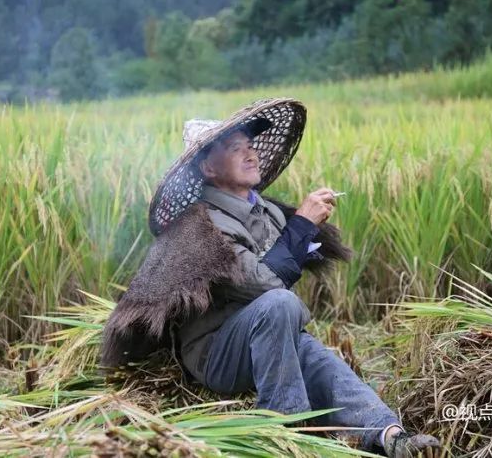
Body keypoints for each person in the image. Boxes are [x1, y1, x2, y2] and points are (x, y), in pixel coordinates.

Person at [101, 99, 440, 457]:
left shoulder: (267, 211)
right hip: (218, 355)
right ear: (209, 168)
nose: (251, 154)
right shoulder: (202, 228)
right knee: (280, 305)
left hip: (270, 339)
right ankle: (287, 434)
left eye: (251, 146)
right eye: (236, 149)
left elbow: (288, 268)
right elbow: (266, 283)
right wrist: (303, 224)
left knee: (320, 360)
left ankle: (391, 436)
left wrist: (303, 231)